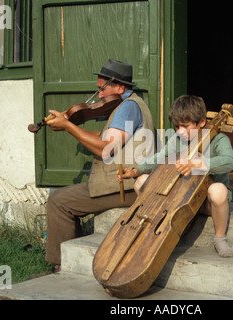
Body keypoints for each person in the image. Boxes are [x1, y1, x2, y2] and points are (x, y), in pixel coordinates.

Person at [44, 59, 155, 270]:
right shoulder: (131, 103)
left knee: (59, 201)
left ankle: (62, 267)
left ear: (120, 87)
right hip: (127, 181)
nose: (100, 95)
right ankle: (68, 261)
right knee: (62, 199)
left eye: (102, 88)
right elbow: (105, 136)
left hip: (126, 185)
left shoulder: (127, 107)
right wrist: (71, 125)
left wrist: (68, 126)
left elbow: (106, 147)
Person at [118, 95, 233, 257]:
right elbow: (160, 158)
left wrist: (198, 164)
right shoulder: (178, 139)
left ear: (202, 122)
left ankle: (219, 238)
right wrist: (135, 170)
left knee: (218, 190)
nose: (180, 131)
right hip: (183, 196)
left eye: (185, 126)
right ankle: (151, 225)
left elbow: (230, 162)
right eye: (177, 127)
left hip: (207, 203)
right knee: (141, 182)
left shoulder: (219, 139)